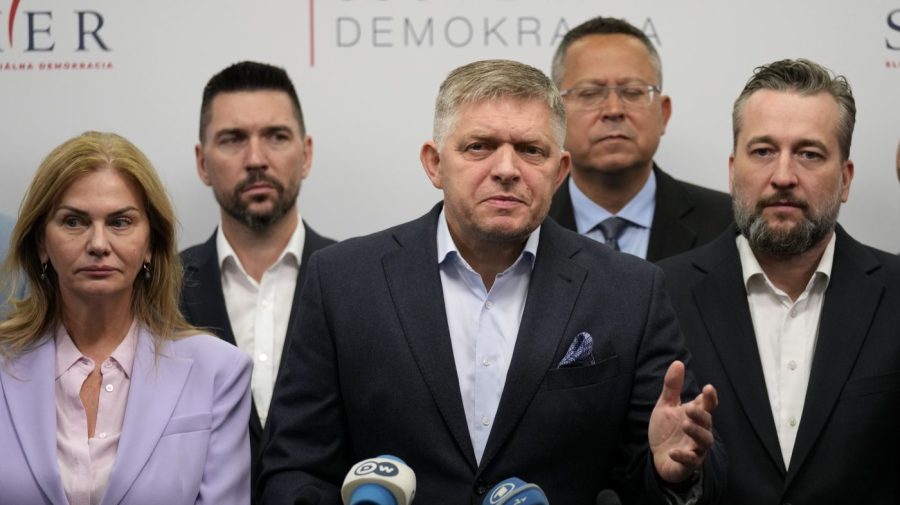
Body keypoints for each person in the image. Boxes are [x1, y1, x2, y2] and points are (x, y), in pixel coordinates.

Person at [258, 59, 725, 504]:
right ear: (434, 163)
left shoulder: (630, 291)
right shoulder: (343, 281)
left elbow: (664, 465)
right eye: (479, 146)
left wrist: (675, 473)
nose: (506, 169)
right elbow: (294, 468)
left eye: (530, 150)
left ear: (559, 171)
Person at [659, 59, 900, 503]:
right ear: (733, 172)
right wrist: (676, 477)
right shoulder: (660, 297)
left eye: (809, 154)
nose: (784, 176)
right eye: (763, 151)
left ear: (845, 179)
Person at [0, 131, 252, 504]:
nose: (98, 244)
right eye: (74, 222)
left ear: (151, 243)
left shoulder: (217, 371)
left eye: (120, 222)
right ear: (41, 244)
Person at [179, 60, 335, 500]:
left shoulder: (362, 284)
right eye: (232, 139)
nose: (256, 159)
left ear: (305, 155)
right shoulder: (156, 291)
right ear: (202, 162)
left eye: (276, 137)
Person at [548, 16, 732, 261]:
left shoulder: (726, 223)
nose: (613, 110)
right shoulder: (527, 224)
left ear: (663, 113)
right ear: (556, 116)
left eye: (633, 92)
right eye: (590, 93)